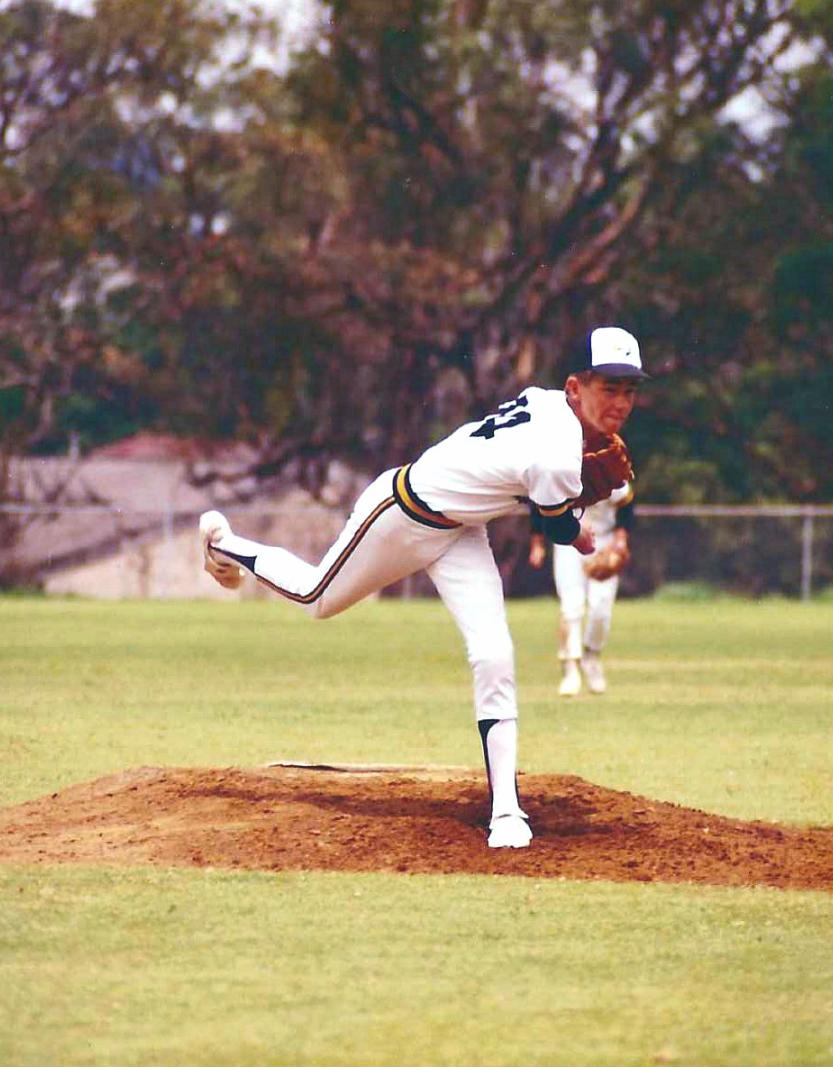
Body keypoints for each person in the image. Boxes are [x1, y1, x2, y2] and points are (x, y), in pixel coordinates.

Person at [198, 326, 645, 849]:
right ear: (575, 387)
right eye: (607, 387)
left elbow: (516, 471)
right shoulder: (556, 454)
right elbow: (559, 528)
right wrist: (589, 538)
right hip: (400, 513)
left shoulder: (547, 406)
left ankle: (506, 810)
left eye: (629, 390)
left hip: (459, 531)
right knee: (316, 598)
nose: (620, 401)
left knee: (494, 652)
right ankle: (224, 545)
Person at [528, 484, 635, 696]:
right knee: (571, 605)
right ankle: (570, 667)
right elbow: (539, 502)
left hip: (604, 539)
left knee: (601, 608)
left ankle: (591, 657)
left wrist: (621, 540)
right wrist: (537, 543)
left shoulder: (604, 462)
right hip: (568, 537)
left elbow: (626, 503)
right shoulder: (562, 466)